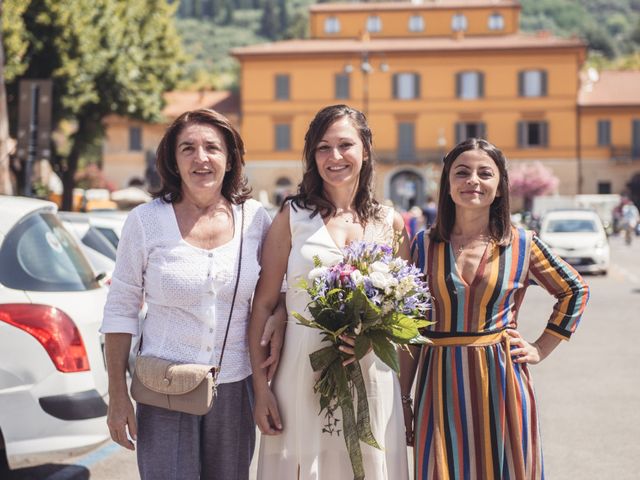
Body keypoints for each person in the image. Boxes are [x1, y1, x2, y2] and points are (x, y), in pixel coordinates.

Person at [101, 108, 283, 480]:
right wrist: (118, 395)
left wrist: (279, 315)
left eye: (212, 148)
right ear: (173, 159)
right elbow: (120, 309)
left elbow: (276, 292)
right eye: (188, 148)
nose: (201, 158)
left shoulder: (255, 219)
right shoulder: (145, 221)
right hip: (162, 386)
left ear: (230, 158)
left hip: (234, 387)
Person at [401, 138, 589, 479]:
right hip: (438, 384)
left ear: (499, 187)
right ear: (447, 184)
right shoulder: (423, 245)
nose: (473, 180)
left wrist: (540, 348)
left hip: (501, 381)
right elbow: (411, 328)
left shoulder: (521, 243)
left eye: (485, 173)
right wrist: (403, 397)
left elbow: (574, 289)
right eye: (462, 172)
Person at [249, 104, 410, 479]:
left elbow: (404, 319)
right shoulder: (292, 216)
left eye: (345, 145)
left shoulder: (391, 223)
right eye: (323, 147)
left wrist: (402, 394)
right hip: (300, 372)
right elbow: (263, 305)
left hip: (372, 376)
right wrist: (261, 389)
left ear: (365, 150)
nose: (334, 157)